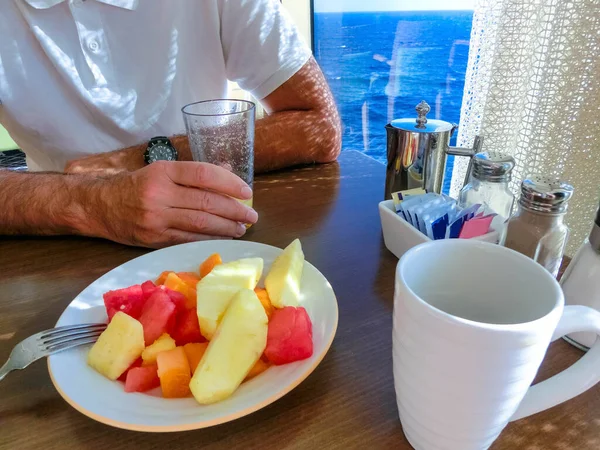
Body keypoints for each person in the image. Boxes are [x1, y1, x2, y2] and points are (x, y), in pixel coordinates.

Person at [0, 0, 341, 248]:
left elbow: (320, 125)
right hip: (57, 240)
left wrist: (140, 159)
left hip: (208, 230)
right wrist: (97, 203)